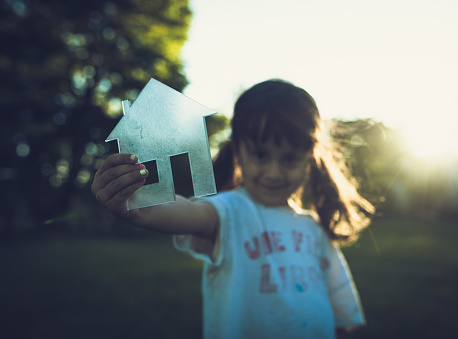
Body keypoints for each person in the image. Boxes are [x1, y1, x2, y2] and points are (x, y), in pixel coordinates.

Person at [91, 79, 375, 339]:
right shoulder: (229, 211)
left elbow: (343, 312)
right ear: (239, 150)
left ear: (309, 159)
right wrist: (134, 202)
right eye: (261, 155)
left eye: (289, 159)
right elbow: (184, 212)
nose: (274, 173)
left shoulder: (315, 229)